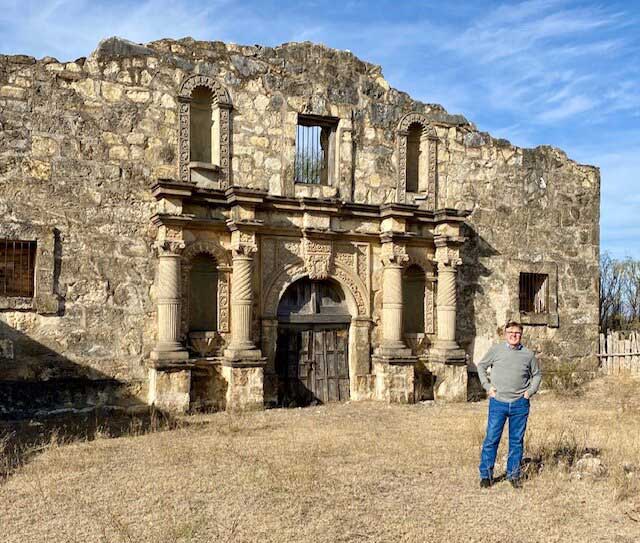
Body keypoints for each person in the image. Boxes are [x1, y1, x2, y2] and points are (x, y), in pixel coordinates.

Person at [477, 321, 542, 488]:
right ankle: (486, 476)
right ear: (505, 334)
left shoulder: (528, 355)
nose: (514, 335)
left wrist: (529, 392)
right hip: (498, 402)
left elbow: (536, 375)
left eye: (517, 333)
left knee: (516, 440)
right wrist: (488, 387)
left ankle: (513, 475)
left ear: (521, 335)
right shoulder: (496, 350)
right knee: (492, 438)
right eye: (510, 332)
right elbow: (481, 366)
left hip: (520, 404)